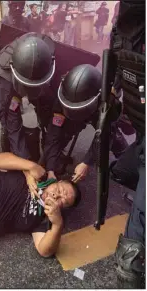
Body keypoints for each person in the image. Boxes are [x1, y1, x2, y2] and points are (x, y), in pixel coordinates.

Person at [108, 0, 145, 288]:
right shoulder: (122, 28)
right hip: (142, 125)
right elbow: (118, 75)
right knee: (122, 170)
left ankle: (131, 259)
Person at [42, 64, 129, 182]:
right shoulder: (64, 94)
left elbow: (105, 134)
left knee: (114, 138)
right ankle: (53, 160)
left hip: (98, 111)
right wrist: (50, 169)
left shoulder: (107, 101)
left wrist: (86, 162)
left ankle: (126, 164)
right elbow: (53, 134)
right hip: (76, 111)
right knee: (62, 133)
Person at [0, 32, 57, 163]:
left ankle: (50, 153)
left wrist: (50, 158)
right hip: (12, 81)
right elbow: (12, 120)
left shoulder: (48, 58)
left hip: (41, 77)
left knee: (48, 111)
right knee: (9, 121)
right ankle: (13, 153)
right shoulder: (5, 77)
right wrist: (25, 163)